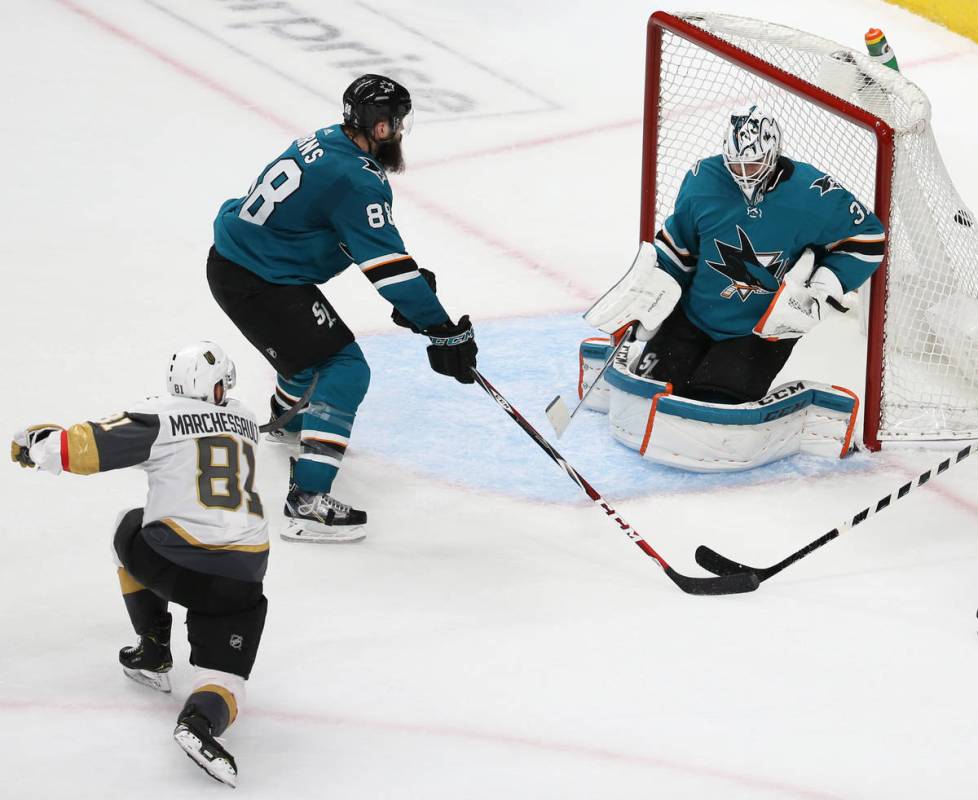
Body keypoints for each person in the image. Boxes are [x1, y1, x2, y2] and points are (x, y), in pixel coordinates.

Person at [207, 73, 478, 544]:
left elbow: (333, 230)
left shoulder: (327, 141)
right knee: (345, 369)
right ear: (376, 125)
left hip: (246, 263)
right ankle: (307, 503)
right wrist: (438, 326)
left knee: (310, 354)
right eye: (394, 122)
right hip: (259, 281)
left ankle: (289, 421)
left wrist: (411, 294)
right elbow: (384, 265)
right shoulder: (359, 179)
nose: (397, 132)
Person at [10, 342, 267, 788]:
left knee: (127, 526)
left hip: (179, 564)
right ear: (218, 386)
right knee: (226, 678)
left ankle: (152, 649)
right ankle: (199, 724)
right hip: (243, 581)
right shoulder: (246, 421)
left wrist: (37, 442)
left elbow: (81, 450)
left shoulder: (161, 414)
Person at [586, 105, 886, 404]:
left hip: (760, 334)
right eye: (735, 164)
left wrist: (824, 286)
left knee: (711, 405)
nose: (743, 174)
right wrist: (645, 305)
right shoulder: (703, 180)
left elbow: (870, 238)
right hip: (694, 315)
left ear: (773, 154)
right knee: (648, 391)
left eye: (753, 165)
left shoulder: (812, 192)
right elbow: (677, 253)